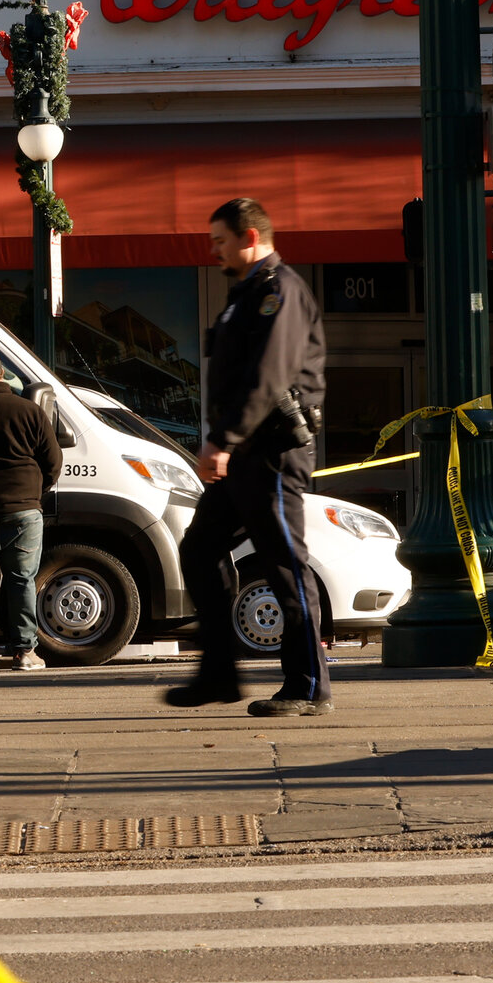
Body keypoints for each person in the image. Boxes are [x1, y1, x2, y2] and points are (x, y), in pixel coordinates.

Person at [168, 196, 331, 717]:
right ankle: (218, 673)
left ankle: (308, 686)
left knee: (285, 563)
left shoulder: (280, 292)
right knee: (198, 550)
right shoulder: (244, 295)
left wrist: (224, 439)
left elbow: (269, 376)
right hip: (242, 454)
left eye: (220, 240)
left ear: (250, 237)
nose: (213, 249)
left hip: (272, 454)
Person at [0, 347, 63, 670]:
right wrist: (34, 492)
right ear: (2, 373)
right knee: (21, 581)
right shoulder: (30, 411)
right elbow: (53, 462)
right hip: (23, 512)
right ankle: (23, 652)